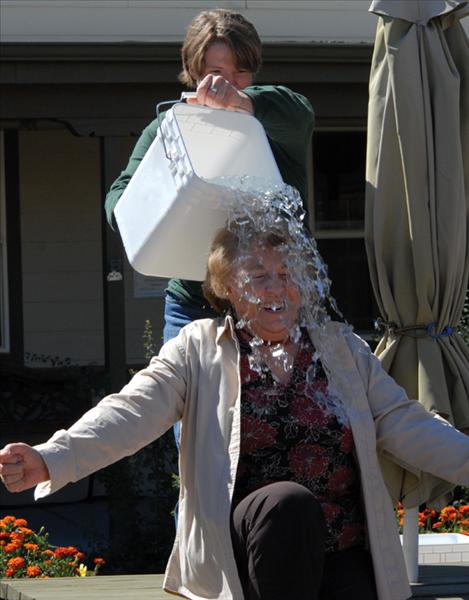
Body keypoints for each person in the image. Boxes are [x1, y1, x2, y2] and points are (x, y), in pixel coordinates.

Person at [1, 208, 469, 600]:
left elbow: (404, 421)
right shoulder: (198, 349)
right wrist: (53, 457)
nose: (276, 289)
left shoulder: (341, 349)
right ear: (225, 286)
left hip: (340, 550)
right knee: (287, 504)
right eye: (259, 276)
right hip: (249, 553)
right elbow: (132, 410)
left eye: (287, 275)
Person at [104, 8, 315, 345]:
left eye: (241, 72)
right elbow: (120, 195)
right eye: (216, 71)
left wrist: (242, 102)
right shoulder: (166, 129)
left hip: (276, 298)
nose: (226, 83)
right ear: (194, 71)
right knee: (190, 397)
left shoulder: (275, 120)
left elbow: (299, 112)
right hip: (193, 303)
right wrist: (147, 211)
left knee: (287, 397)